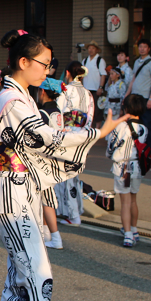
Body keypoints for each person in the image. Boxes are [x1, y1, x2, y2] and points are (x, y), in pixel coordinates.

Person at [0, 30, 126, 301]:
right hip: (12, 193)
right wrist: (97, 133)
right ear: (24, 62)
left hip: (16, 189)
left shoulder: (16, 97)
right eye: (43, 64)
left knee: (21, 272)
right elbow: (45, 140)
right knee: (38, 273)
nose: (48, 70)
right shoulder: (13, 102)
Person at [106, 94, 147, 248]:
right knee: (133, 200)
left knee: (125, 202)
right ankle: (134, 230)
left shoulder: (120, 126)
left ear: (126, 108)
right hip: (137, 166)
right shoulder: (143, 129)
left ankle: (127, 233)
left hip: (122, 167)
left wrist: (110, 155)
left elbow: (111, 147)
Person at [57, 61, 95, 226]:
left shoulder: (66, 90)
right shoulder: (88, 93)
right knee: (74, 173)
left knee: (65, 174)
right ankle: (73, 210)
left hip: (67, 135)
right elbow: (91, 116)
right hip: (82, 134)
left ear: (67, 73)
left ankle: (71, 214)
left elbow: (59, 112)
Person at [37, 77, 66, 250]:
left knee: (46, 199)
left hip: (44, 160)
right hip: (55, 159)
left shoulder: (42, 114)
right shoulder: (58, 112)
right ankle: (46, 233)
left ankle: (55, 237)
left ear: (43, 92)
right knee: (45, 196)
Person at [125, 38, 151, 155]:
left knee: (147, 123)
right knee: (135, 123)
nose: (142, 49)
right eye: (140, 46)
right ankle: (138, 148)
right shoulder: (136, 62)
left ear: (149, 48)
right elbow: (133, 79)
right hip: (134, 97)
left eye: (144, 47)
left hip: (145, 98)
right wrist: (127, 94)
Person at [81, 41, 107, 127]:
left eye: (93, 48)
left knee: (97, 109)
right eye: (89, 48)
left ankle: (97, 128)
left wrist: (101, 87)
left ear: (96, 50)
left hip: (96, 89)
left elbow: (103, 74)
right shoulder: (85, 61)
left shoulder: (100, 60)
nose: (91, 50)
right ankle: (89, 127)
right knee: (87, 109)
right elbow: (82, 75)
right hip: (86, 88)